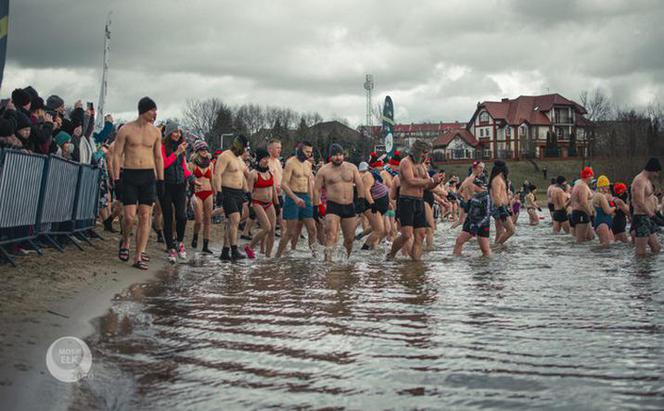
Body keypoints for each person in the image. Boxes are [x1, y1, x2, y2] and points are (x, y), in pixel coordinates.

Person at [112, 97, 164, 270]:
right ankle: (126, 240)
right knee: (129, 217)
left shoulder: (156, 132)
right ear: (144, 111)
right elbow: (116, 155)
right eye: (153, 110)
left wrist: (161, 179)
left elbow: (158, 157)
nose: (155, 114)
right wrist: (116, 178)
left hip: (148, 176)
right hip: (130, 175)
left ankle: (138, 255)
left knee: (144, 215)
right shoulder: (126, 130)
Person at [387, 140, 443, 261]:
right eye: (423, 153)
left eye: (427, 153)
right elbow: (410, 181)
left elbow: (428, 186)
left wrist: (436, 182)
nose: (425, 157)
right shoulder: (405, 162)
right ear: (416, 152)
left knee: (421, 235)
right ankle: (391, 254)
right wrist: (431, 181)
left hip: (419, 201)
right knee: (406, 235)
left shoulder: (422, 166)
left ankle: (416, 263)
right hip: (406, 201)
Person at [313, 143, 365, 261]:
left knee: (349, 239)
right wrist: (315, 207)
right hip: (333, 207)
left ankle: (345, 261)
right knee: (331, 235)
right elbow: (316, 190)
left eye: (341, 155)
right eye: (335, 155)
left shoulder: (352, 168)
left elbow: (360, 185)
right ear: (330, 156)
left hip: (349, 206)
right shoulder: (324, 170)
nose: (338, 158)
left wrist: (361, 202)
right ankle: (328, 262)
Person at [159, 121, 194, 263]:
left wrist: (191, 178)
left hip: (180, 185)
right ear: (168, 133)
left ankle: (179, 242)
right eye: (174, 132)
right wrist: (176, 153)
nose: (177, 134)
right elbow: (164, 164)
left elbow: (183, 167)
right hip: (166, 185)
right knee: (168, 218)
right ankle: (170, 248)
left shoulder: (182, 149)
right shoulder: (162, 147)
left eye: (179, 132)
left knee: (182, 216)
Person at [276, 141, 317, 257]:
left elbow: (308, 182)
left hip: (305, 197)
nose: (309, 155)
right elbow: (283, 184)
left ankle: (314, 256)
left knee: (312, 229)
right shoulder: (290, 163)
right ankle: (278, 256)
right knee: (290, 232)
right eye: (307, 152)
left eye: (310, 152)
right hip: (292, 196)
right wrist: (295, 198)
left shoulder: (308, 164)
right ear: (300, 150)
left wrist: (311, 198)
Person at [214, 134, 250, 260]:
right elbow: (217, 174)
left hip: (238, 192)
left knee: (231, 223)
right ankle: (234, 250)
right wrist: (218, 192)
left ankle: (225, 251)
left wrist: (247, 191)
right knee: (235, 219)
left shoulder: (240, 160)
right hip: (227, 191)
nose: (245, 150)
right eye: (245, 147)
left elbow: (243, 176)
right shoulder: (225, 156)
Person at [245, 147, 279, 258]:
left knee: (272, 230)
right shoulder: (253, 174)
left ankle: (268, 257)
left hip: (269, 204)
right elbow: (249, 192)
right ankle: (249, 247)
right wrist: (250, 207)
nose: (266, 160)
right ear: (259, 159)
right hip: (257, 203)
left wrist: (277, 204)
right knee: (267, 227)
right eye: (264, 158)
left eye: (267, 158)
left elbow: (273, 189)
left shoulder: (270, 172)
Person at [630, 158, 662, 256]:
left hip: (648, 218)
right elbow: (638, 201)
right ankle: (639, 270)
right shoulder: (640, 180)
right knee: (641, 252)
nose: (656, 175)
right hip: (641, 218)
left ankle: (651, 270)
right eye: (656, 172)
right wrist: (652, 215)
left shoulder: (647, 180)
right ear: (652, 169)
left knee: (656, 248)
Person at [453, 177, 491, 257]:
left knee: (485, 250)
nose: (467, 189)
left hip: (482, 224)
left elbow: (487, 215)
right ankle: (455, 262)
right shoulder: (474, 195)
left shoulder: (486, 196)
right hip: (471, 222)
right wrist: (458, 200)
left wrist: (477, 225)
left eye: (468, 187)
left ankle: (486, 266)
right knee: (459, 241)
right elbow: (468, 208)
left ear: (475, 185)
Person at [189, 140, 215, 255]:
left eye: (205, 149)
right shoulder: (192, 164)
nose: (204, 151)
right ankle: (195, 236)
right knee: (199, 220)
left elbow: (212, 179)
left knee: (208, 220)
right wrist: (191, 191)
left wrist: (216, 193)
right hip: (197, 193)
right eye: (201, 150)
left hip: (208, 192)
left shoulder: (210, 164)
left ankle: (205, 245)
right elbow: (189, 179)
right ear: (197, 151)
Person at [359, 161, 389, 250]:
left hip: (379, 205)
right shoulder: (368, 175)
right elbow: (366, 191)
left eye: (383, 165)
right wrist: (372, 204)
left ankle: (357, 237)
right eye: (380, 166)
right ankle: (364, 249)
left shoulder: (375, 175)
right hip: (371, 205)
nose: (382, 167)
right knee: (379, 230)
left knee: (375, 227)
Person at [452, 161, 485, 229]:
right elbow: (476, 193)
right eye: (480, 168)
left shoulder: (468, 179)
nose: (482, 170)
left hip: (464, 202)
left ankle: (449, 231)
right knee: (472, 223)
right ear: (474, 169)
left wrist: (463, 198)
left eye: (483, 168)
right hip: (470, 203)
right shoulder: (472, 179)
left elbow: (458, 192)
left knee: (460, 221)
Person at [490, 160, 515, 245]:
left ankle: (496, 250)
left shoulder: (500, 179)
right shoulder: (497, 180)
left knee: (499, 231)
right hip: (499, 207)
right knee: (511, 230)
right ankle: (497, 246)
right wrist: (501, 209)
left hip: (502, 206)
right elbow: (496, 195)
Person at [570, 167, 595, 243]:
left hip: (582, 213)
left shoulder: (580, 184)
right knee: (580, 241)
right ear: (588, 176)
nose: (592, 178)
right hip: (580, 213)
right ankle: (578, 254)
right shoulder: (582, 186)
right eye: (592, 176)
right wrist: (590, 214)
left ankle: (586, 254)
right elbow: (583, 202)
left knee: (591, 237)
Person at [592, 175, 616, 246]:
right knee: (605, 247)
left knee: (611, 245)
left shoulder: (600, 195)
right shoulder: (600, 196)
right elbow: (607, 211)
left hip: (605, 223)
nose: (608, 188)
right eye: (607, 186)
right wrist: (615, 207)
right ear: (602, 186)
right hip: (602, 224)